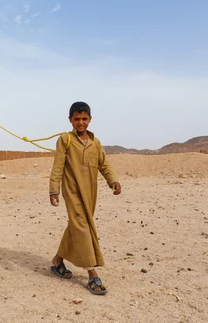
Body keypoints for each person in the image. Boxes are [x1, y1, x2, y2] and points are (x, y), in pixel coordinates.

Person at [48, 101, 122, 295]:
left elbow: (104, 165)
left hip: (90, 192)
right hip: (72, 192)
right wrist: (54, 190)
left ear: (90, 119)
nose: (80, 122)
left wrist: (113, 180)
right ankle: (92, 274)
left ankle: (57, 261)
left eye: (84, 119)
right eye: (77, 119)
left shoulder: (95, 143)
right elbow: (57, 166)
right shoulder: (65, 140)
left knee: (76, 225)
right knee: (82, 226)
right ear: (70, 120)